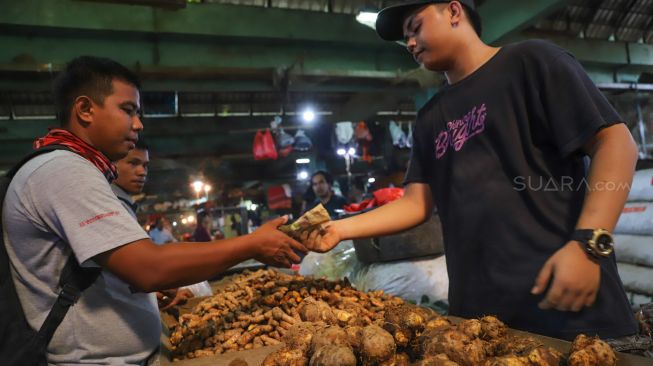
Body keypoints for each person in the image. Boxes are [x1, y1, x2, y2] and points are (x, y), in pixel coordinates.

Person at [303, 0, 639, 342]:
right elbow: (416, 205)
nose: (411, 44)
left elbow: (615, 143)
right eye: (405, 39)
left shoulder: (531, 63)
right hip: (482, 324)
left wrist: (588, 245)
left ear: (453, 11)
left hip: (571, 316)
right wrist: (339, 229)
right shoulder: (430, 118)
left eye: (415, 28)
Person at [2, 56, 305, 364]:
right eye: (128, 110)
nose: (138, 124)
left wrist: (141, 294)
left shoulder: (73, 169)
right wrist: (252, 244)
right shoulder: (64, 170)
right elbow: (148, 269)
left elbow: (103, 268)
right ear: (85, 109)